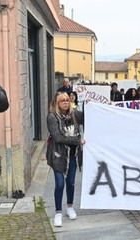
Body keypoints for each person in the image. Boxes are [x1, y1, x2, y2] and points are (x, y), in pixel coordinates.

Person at [46, 92, 85, 227]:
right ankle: (58, 212)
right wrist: (78, 140)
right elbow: (58, 137)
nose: (65, 102)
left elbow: (87, 117)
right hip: (58, 155)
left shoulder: (74, 114)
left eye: (67, 100)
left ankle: (70, 206)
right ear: (57, 103)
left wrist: (88, 104)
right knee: (60, 184)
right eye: (62, 100)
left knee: (71, 183)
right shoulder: (52, 117)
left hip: (72, 155)